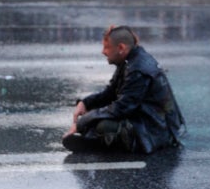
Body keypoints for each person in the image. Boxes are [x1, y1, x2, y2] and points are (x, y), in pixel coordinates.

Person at [62, 25, 185, 154]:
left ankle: (101, 143)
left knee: (104, 125)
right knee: (95, 113)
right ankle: (95, 139)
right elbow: (110, 93)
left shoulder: (138, 69)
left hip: (158, 131)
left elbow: (122, 108)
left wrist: (82, 122)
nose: (103, 52)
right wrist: (85, 103)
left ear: (121, 48)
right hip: (147, 119)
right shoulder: (129, 60)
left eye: (106, 47)